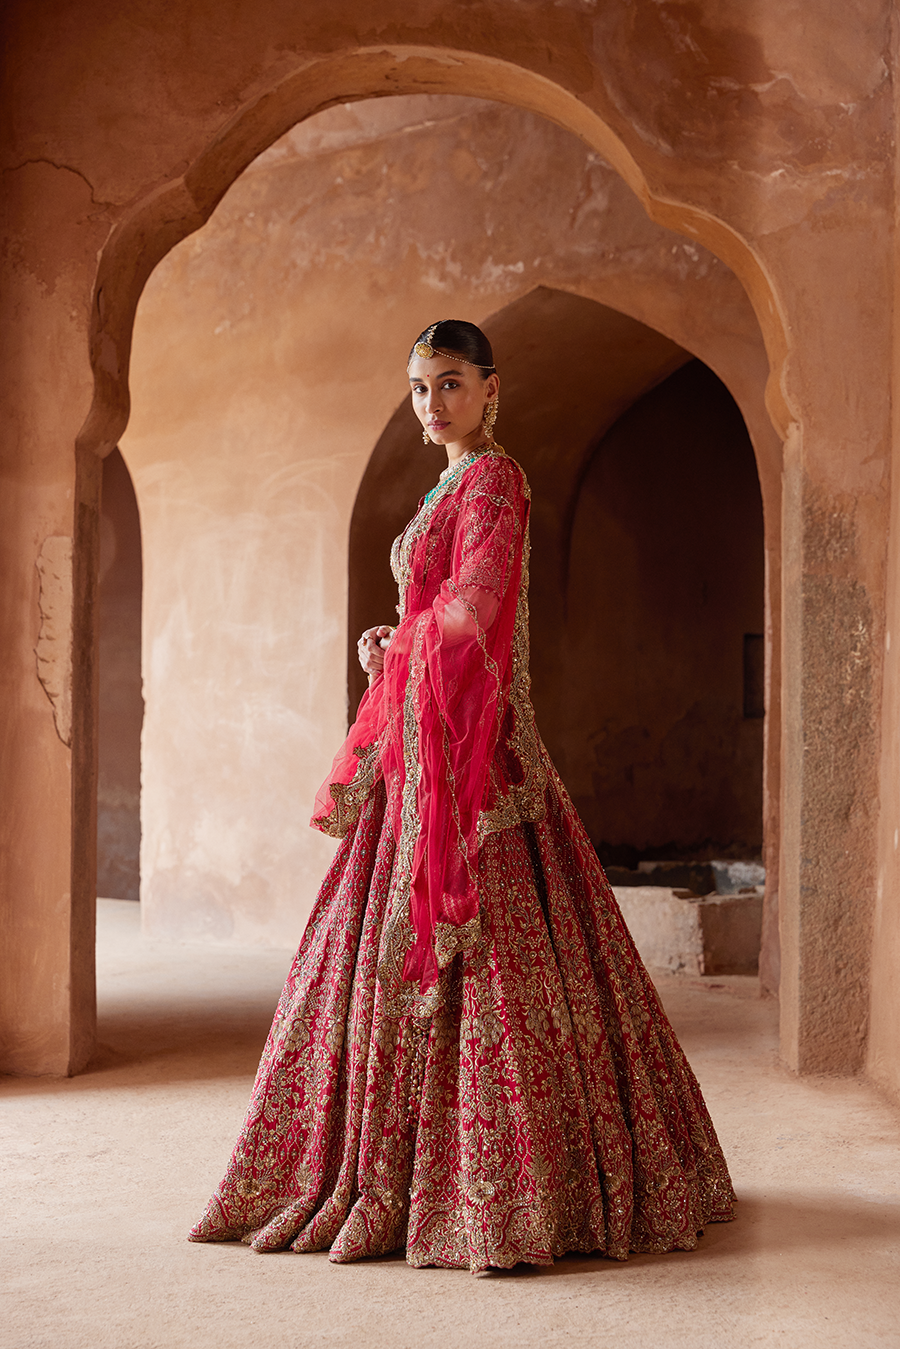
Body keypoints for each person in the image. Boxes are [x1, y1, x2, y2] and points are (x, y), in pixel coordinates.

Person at [188, 319, 735, 1271]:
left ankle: (513, 1194)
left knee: (498, 956)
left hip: (481, 764)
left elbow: (475, 611)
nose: (430, 405)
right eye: (416, 388)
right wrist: (387, 650)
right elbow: (431, 617)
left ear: (490, 390)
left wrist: (407, 648)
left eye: (448, 384)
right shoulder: (446, 484)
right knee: (368, 957)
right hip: (420, 752)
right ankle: (376, 1169)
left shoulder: (496, 480)